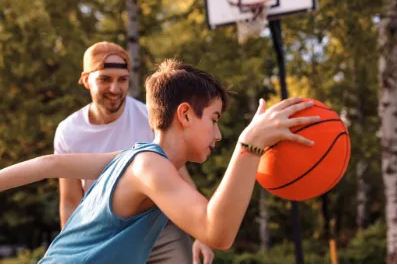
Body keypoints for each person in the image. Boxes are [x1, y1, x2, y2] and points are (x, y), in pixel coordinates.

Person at [0, 59, 320, 264]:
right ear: (184, 114)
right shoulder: (148, 166)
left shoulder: (133, 157)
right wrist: (249, 146)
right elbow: (217, 232)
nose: (218, 134)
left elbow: (48, 164)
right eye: (214, 118)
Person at [55, 41, 213, 264]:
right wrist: (72, 253)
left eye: (122, 80)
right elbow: (71, 200)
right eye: (105, 79)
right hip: (105, 232)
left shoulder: (149, 117)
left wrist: (201, 233)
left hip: (159, 228)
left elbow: (181, 177)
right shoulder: (69, 132)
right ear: (86, 80)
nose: (115, 89)